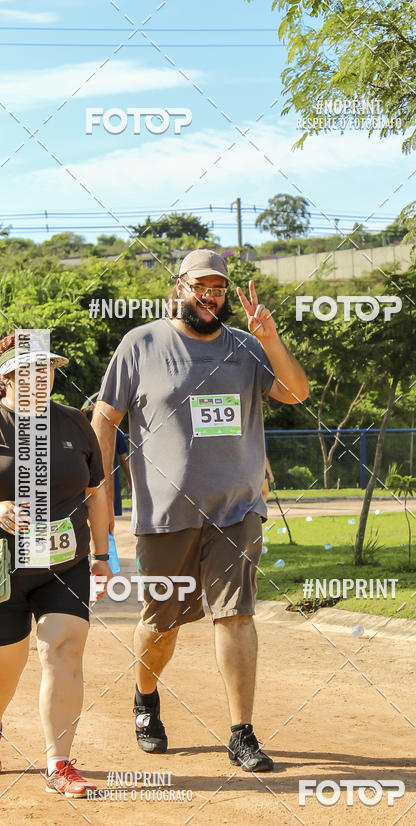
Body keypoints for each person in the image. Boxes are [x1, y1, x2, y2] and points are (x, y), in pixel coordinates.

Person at [92, 248, 308, 772]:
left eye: (218, 288)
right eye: (200, 287)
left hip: (237, 508)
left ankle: (241, 732)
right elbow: (105, 419)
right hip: (166, 515)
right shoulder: (141, 344)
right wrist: (99, 493)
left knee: (236, 614)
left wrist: (270, 339)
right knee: (161, 625)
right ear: (179, 287)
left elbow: (296, 392)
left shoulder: (247, 347)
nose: (209, 296)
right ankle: (146, 697)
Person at [0, 334, 112, 797]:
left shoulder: (74, 423)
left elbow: (95, 492)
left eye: (48, 369)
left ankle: (59, 763)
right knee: (2, 667)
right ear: (7, 378)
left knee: (63, 650)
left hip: (64, 562)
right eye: (29, 371)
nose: (41, 377)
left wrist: (102, 556)